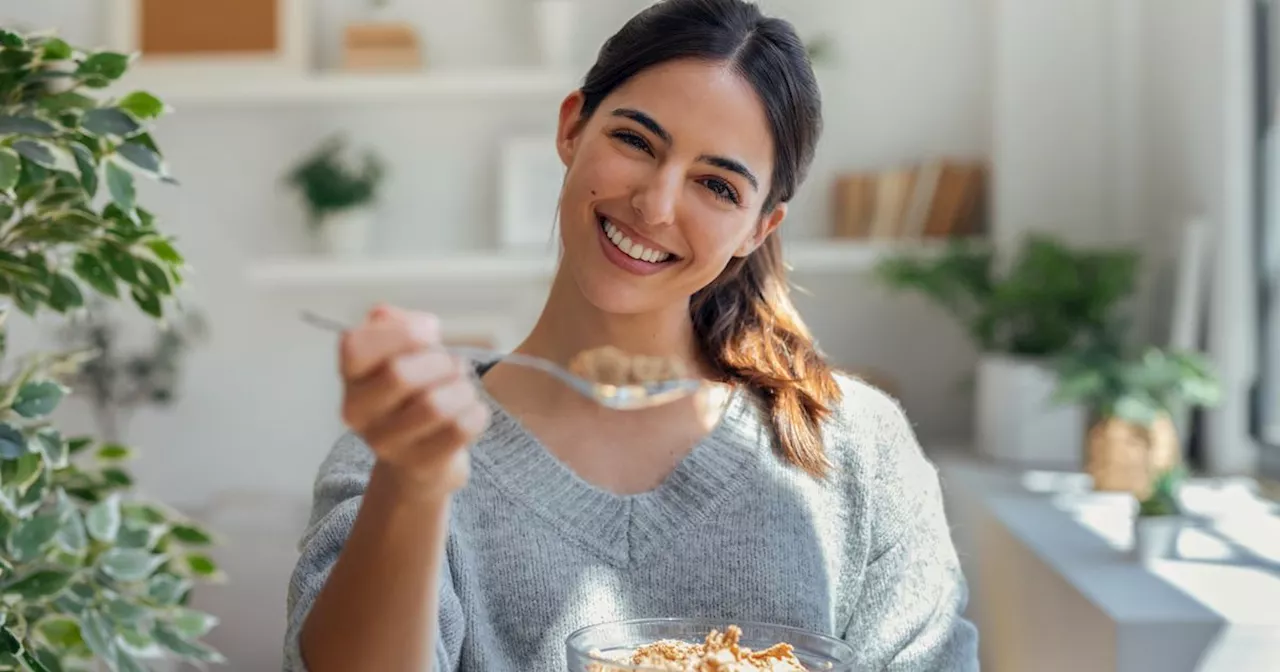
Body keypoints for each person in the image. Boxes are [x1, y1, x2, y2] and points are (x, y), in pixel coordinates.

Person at [283, 0, 980, 669]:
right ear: (570, 129)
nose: (655, 204)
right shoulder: (405, 446)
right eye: (635, 141)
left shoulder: (859, 451)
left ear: (758, 229)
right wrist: (414, 479)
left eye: (718, 187)